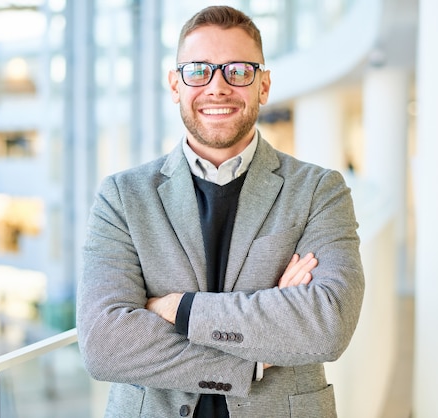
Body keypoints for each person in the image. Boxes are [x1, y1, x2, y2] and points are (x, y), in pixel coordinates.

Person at [77, 5, 365, 418]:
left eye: (238, 71)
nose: (217, 87)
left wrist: (179, 309)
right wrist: (253, 355)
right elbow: (104, 344)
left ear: (263, 86)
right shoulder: (122, 197)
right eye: (199, 70)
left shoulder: (319, 190)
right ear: (175, 85)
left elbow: (328, 325)